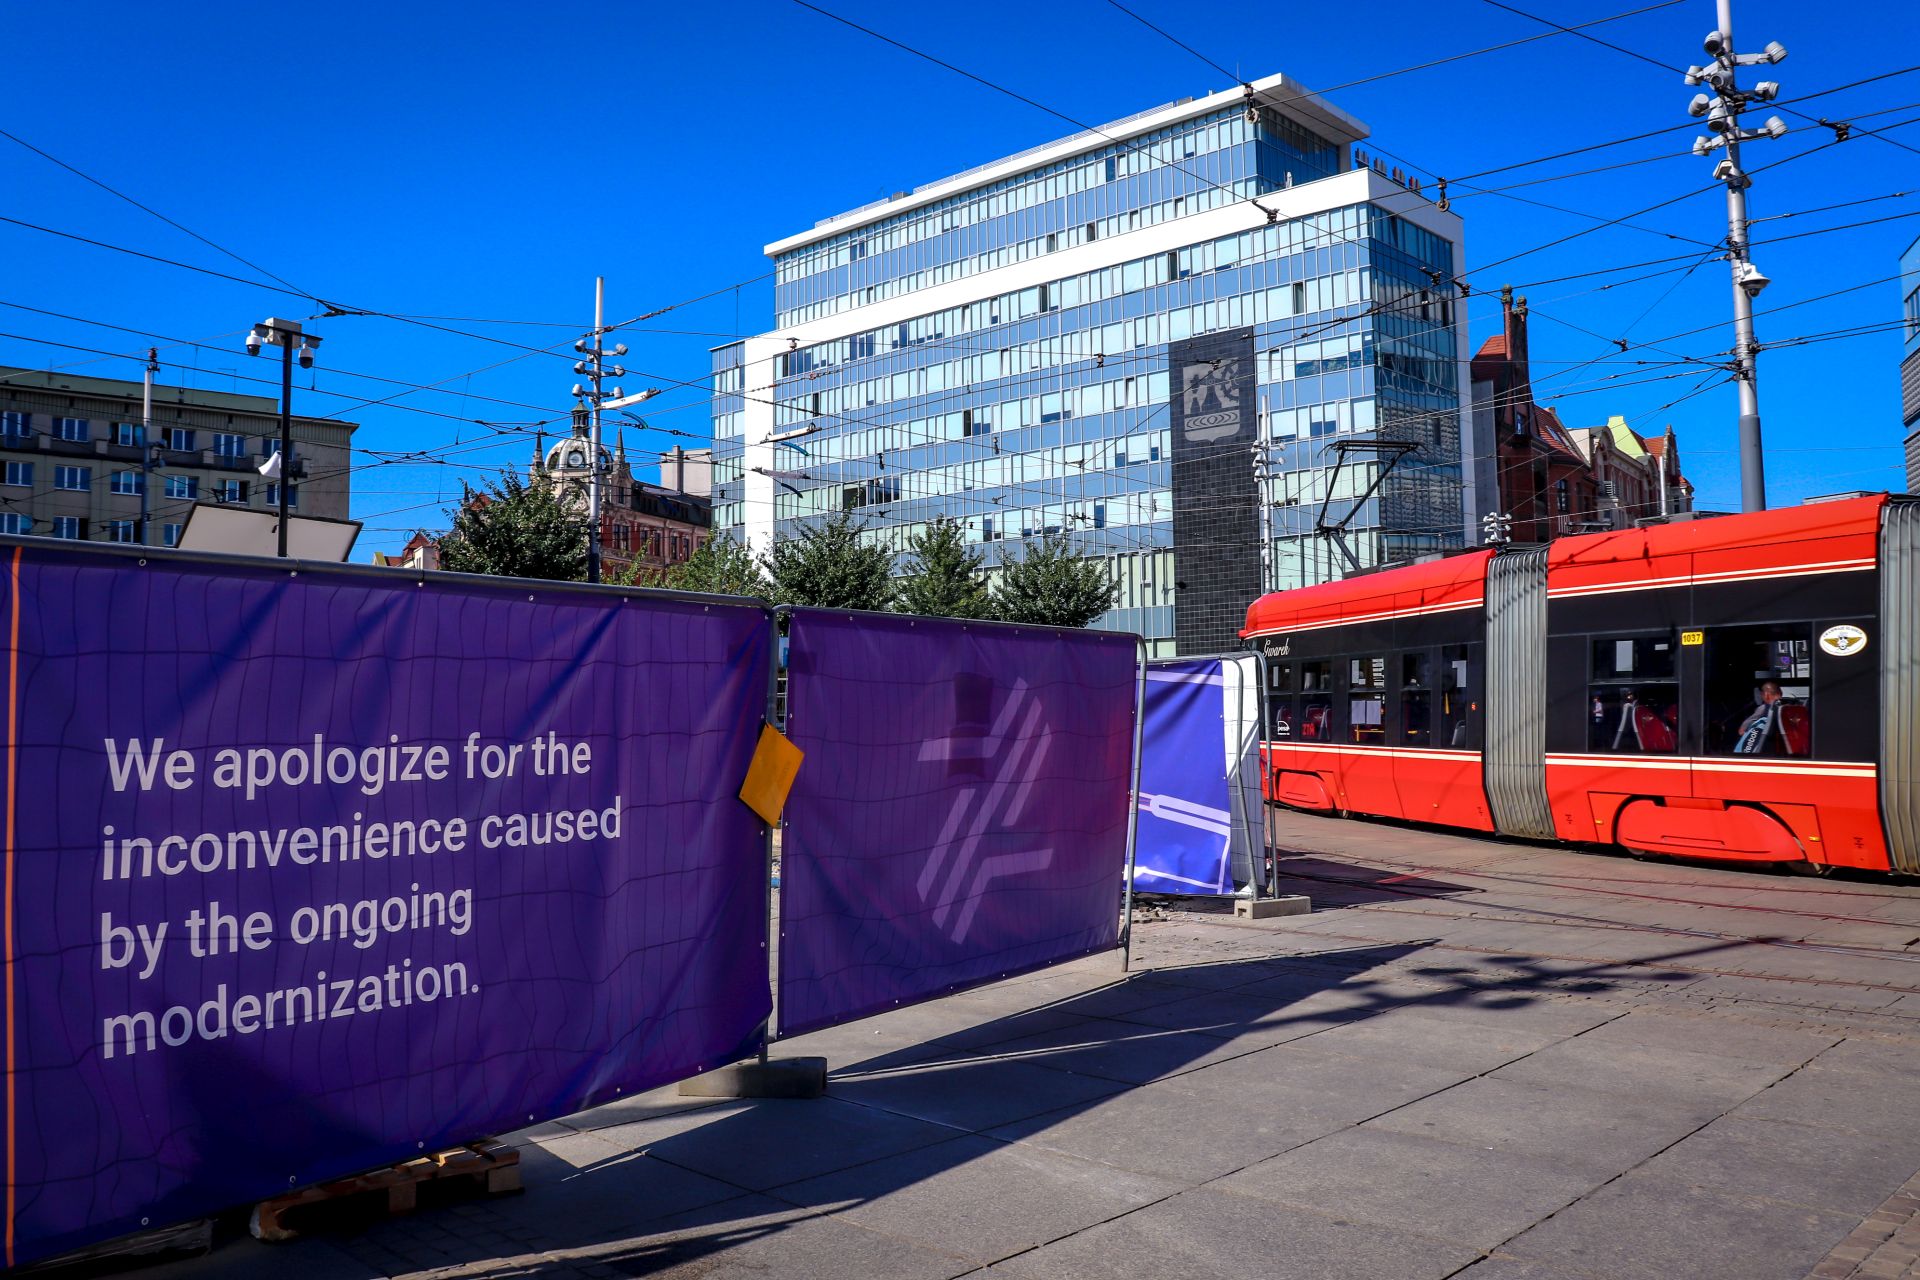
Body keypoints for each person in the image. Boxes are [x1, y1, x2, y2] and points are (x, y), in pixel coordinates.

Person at [1734, 681, 1786, 755]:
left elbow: (1741, 731)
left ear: (1766, 695)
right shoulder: (1786, 709)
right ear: (1781, 694)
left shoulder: (1763, 709)